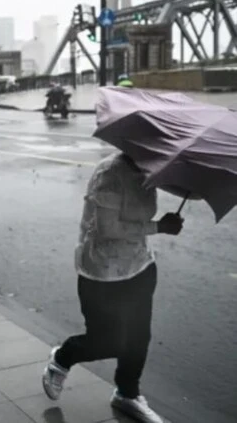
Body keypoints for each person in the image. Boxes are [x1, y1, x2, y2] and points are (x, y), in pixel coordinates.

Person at [42, 152, 183, 423]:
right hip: (102, 272)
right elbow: (108, 228)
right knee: (109, 341)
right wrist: (159, 226)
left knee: (139, 338)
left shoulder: (150, 169)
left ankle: (127, 394)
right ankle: (63, 357)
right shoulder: (109, 173)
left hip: (140, 267)